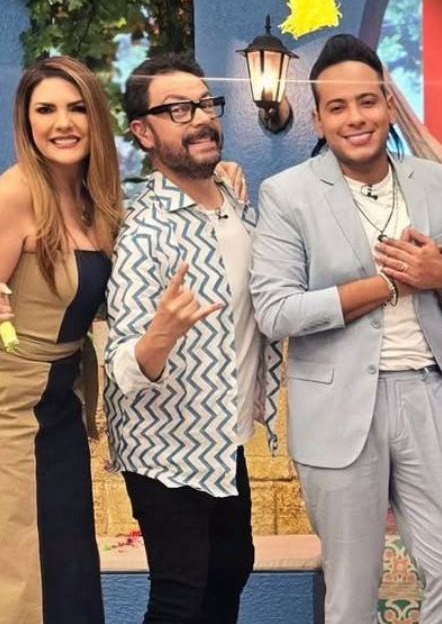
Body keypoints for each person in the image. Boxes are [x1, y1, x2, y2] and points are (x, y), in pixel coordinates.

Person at [250, 34, 442, 624]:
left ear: (388, 105)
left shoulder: (434, 183)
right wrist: (386, 285)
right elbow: (275, 311)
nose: (355, 118)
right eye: (337, 107)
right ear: (318, 120)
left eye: (367, 101)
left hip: (430, 393)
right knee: (353, 586)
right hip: (339, 404)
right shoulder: (288, 195)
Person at [104, 53, 279, 624]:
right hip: (164, 445)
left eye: (205, 103)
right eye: (178, 110)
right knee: (181, 594)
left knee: (230, 570)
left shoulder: (234, 202)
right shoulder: (146, 229)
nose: (201, 118)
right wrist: (159, 336)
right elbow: (123, 368)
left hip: (224, 435)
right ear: (143, 132)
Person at [0, 56, 120, 624]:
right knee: (23, 577)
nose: (62, 123)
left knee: (69, 569)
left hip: (61, 410)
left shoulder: (98, 202)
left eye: (76, 108)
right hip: (10, 413)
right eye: (45, 110)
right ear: (27, 122)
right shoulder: (16, 193)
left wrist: (221, 177)